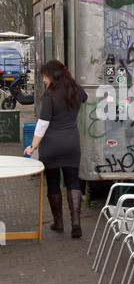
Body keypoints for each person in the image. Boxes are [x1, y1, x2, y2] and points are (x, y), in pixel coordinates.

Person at [24, 60, 88, 239]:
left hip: (51, 145)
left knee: (53, 183)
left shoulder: (50, 96)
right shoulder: (76, 90)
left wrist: (32, 146)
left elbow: (43, 124)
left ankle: (58, 223)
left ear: (54, 76)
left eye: (45, 76)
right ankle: (76, 222)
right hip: (71, 143)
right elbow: (85, 97)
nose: (44, 80)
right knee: (72, 181)